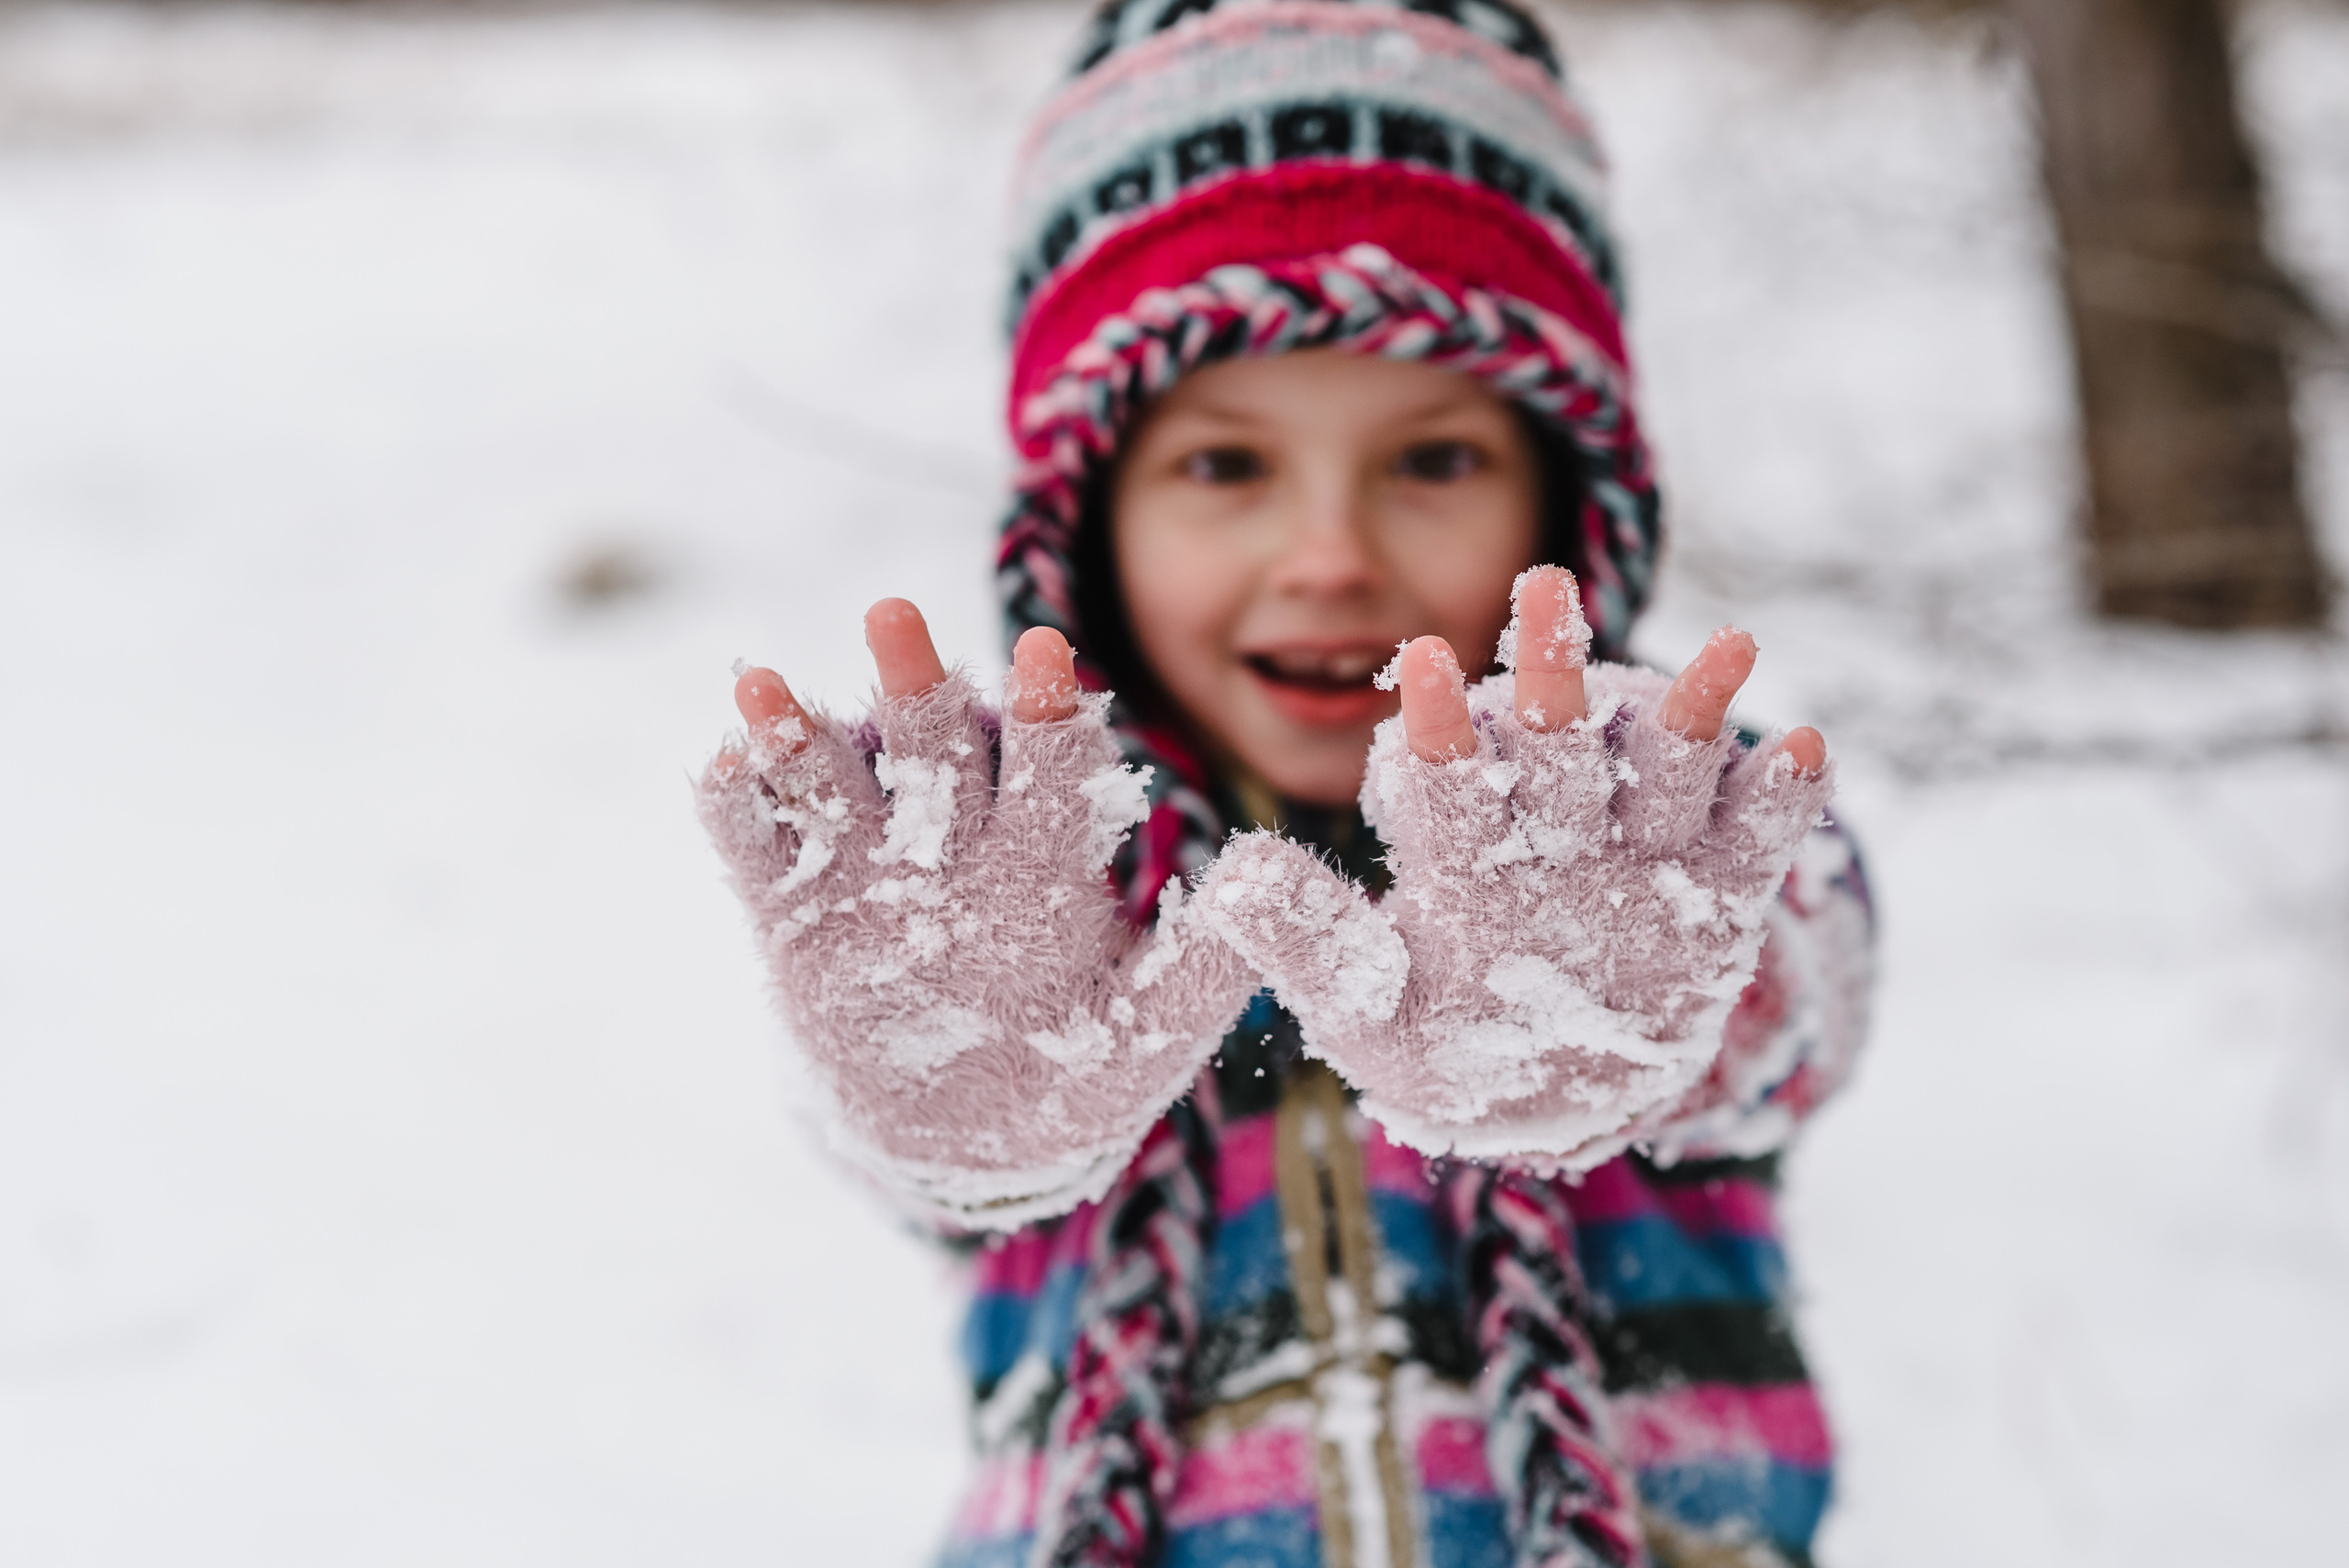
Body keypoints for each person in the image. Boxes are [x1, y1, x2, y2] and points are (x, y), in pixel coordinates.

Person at [697, 3, 1875, 1564]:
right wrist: (924, 1089)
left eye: (1432, 460)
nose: (1328, 557)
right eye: (1227, 466)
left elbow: (1810, 982)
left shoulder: (1650, 819)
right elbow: (920, 1146)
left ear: (1567, 492)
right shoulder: (1022, 882)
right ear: (1086, 523)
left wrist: (1647, 1001)